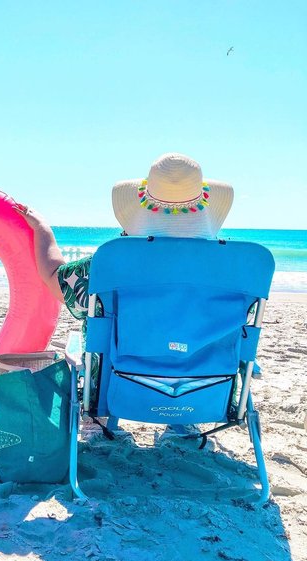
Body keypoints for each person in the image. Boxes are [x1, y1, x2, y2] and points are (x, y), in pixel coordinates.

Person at [15, 152, 234, 434]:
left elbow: (53, 277)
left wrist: (43, 229)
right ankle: (179, 415)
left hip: (116, 386)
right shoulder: (229, 269)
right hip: (208, 385)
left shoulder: (113, 263)